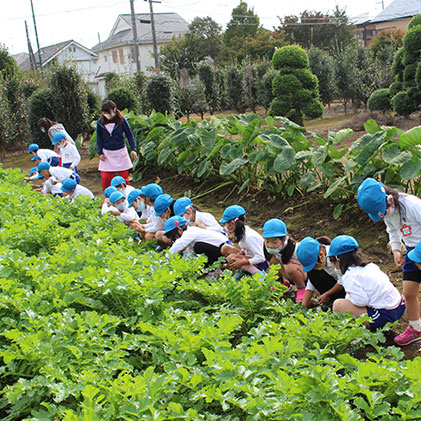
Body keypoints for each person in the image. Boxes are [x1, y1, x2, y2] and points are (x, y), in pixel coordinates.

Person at [357, 178, 421, 345]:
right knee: (408, 293)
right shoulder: (389, 213)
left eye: (384, 212)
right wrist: (396, 250)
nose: (385, 216)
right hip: (411, 250)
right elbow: (393, 230)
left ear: (390, 199)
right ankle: (416, 327)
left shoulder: (412, 205)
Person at [327, 235, 405, 331]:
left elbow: (361, 301)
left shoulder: (350, 275)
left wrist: (349, 297)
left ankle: (359, 332)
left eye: (331, 260)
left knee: (338, 305)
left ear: (338, 258)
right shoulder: (370, 266)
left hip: (385, 316)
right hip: (399, 307)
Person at [96, 100, 137, 191]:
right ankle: (109, 197)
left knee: (123, 178)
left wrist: (133, 149)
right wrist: (100, 152)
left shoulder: (122, 121)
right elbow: (99, 139)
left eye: (108, 112)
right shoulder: (100, 123)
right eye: (105, 113)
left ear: (114, 110)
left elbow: (129, 135)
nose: (107, 115)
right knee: (106, 177)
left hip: (120, 151)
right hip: (107, 153)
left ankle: (126, 196)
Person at [262, 218, 307, 302]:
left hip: (303, 277)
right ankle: (281, 283)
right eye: (267, 242)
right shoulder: (275, 251)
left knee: (290, 267)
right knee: (274, 261)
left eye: (274, 242)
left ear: (284, 239)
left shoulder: (296, 250)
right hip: (289, 276)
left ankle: (301, 289)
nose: (270, 245)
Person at [297, 236, 345, 309]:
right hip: (335, 284)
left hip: (348, 287)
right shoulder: (320, 262)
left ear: (321, 255)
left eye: (314, 266)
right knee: (313, 273)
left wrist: (327, 294)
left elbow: (342, 281)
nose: (314, 269)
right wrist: (303, 306)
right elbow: (311, 283)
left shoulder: (337, 257)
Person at [219, 205, 268, 278]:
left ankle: (259, 274)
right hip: (252, 258)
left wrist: (241, 262)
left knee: (233, 258)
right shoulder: (241, 233)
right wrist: (242, 252)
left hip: (262, 263)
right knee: (229, 253)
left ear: (232, 223)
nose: (225, 227)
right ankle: (247, 271)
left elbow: (261, 258)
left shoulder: (249, 237)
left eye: (226, 224)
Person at [165, 216, 230, 266]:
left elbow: (179, 244)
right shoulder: (191, 235)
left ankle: (213, 268)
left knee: (198, 247)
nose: (174, 240)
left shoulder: (190, 232)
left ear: (179, 230)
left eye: (174, 237)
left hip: (224, 249)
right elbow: (190, 254)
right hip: (218, 249)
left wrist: (166, 258)